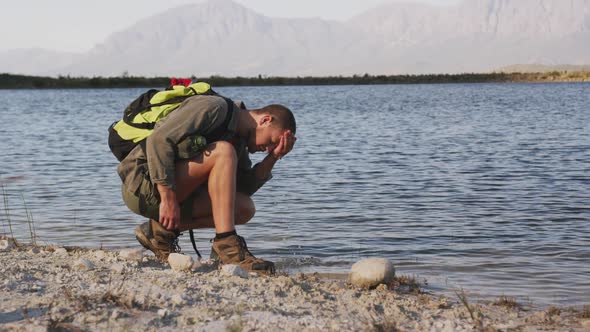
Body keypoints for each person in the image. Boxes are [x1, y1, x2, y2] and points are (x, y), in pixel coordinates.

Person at [117, 94, 296, 274]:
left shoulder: (238, 138)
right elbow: (159, 140)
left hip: (171, 193)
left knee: (244, 208)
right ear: (265, 120)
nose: (267, 148)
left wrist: (273, 158)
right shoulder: (214, 107)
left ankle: (158, 233)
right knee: (223, 151)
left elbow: (240, 191)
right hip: (142, 186)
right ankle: (228, 247)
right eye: (272, 142)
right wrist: (167, 197)